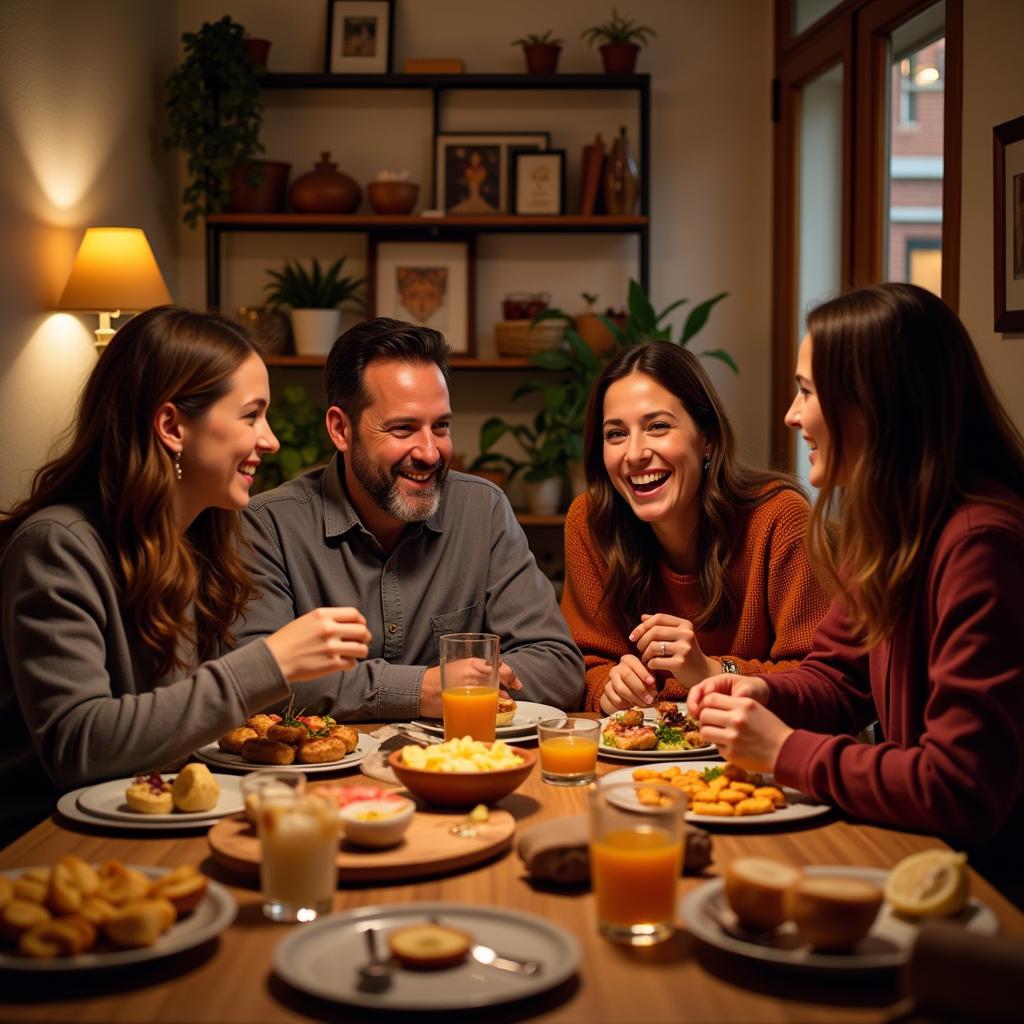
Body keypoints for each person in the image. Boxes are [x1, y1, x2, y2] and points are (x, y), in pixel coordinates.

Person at [687, 283, 1024, 894]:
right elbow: (840, 678)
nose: (791, 414)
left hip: (984, 893)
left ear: (873, 408)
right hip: (917, 854)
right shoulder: (892, 527)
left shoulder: (981, 543)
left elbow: (962, 786)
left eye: (807, 392)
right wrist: (762, 690)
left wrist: (786, 750)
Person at [0, 306, 372, 843]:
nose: (270, 441)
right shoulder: (56, 547)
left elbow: (188, 724)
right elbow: (79, 748)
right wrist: (270, 662)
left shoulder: (202, 540)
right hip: (50, 848)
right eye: (251, 415)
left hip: (163, 825)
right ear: (173, 426)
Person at [237, 316, 584, 720]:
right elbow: (253, 681)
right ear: (340, 429)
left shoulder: (482, 510)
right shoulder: (268, 526)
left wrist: (467, 683)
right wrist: (420, 689)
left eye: (440, 427)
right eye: (403, 429)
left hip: (460, 767)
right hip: (319, 779)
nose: (430, 452)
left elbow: (559, 667)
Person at [561, 341, 831, 714]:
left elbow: (821, 683)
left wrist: (710, 671)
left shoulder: (779, 518)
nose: (635, 453)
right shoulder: (592, 521)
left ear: (707, 438)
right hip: (635, 762)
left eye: (657, 427)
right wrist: (607, 686)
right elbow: (586, 664)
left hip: (753, 762)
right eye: (616, 434)